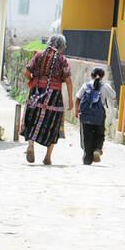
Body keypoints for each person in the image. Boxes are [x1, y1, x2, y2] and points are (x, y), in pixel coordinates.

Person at [21, 33, 73, 165]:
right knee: (53, 124)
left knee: (33, 118)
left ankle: (31, 144)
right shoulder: (62, 59)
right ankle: (48, 157)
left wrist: (34, 80)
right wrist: (71, 99)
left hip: (37, 91)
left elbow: (27, 73)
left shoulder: (38, 55)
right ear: (61, 46)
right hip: (54, 96)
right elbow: (68, 80)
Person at [75, 66, 110, 165]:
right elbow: (114, 97)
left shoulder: (86, 85)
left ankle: (87, 158)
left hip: (86, 115)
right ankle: (97, 149)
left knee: (87, 135)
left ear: (91, 75)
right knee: (99, 134)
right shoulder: (105, 86)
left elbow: (78, 98)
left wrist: (76, 111)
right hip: (99, 115)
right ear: (103, 76)